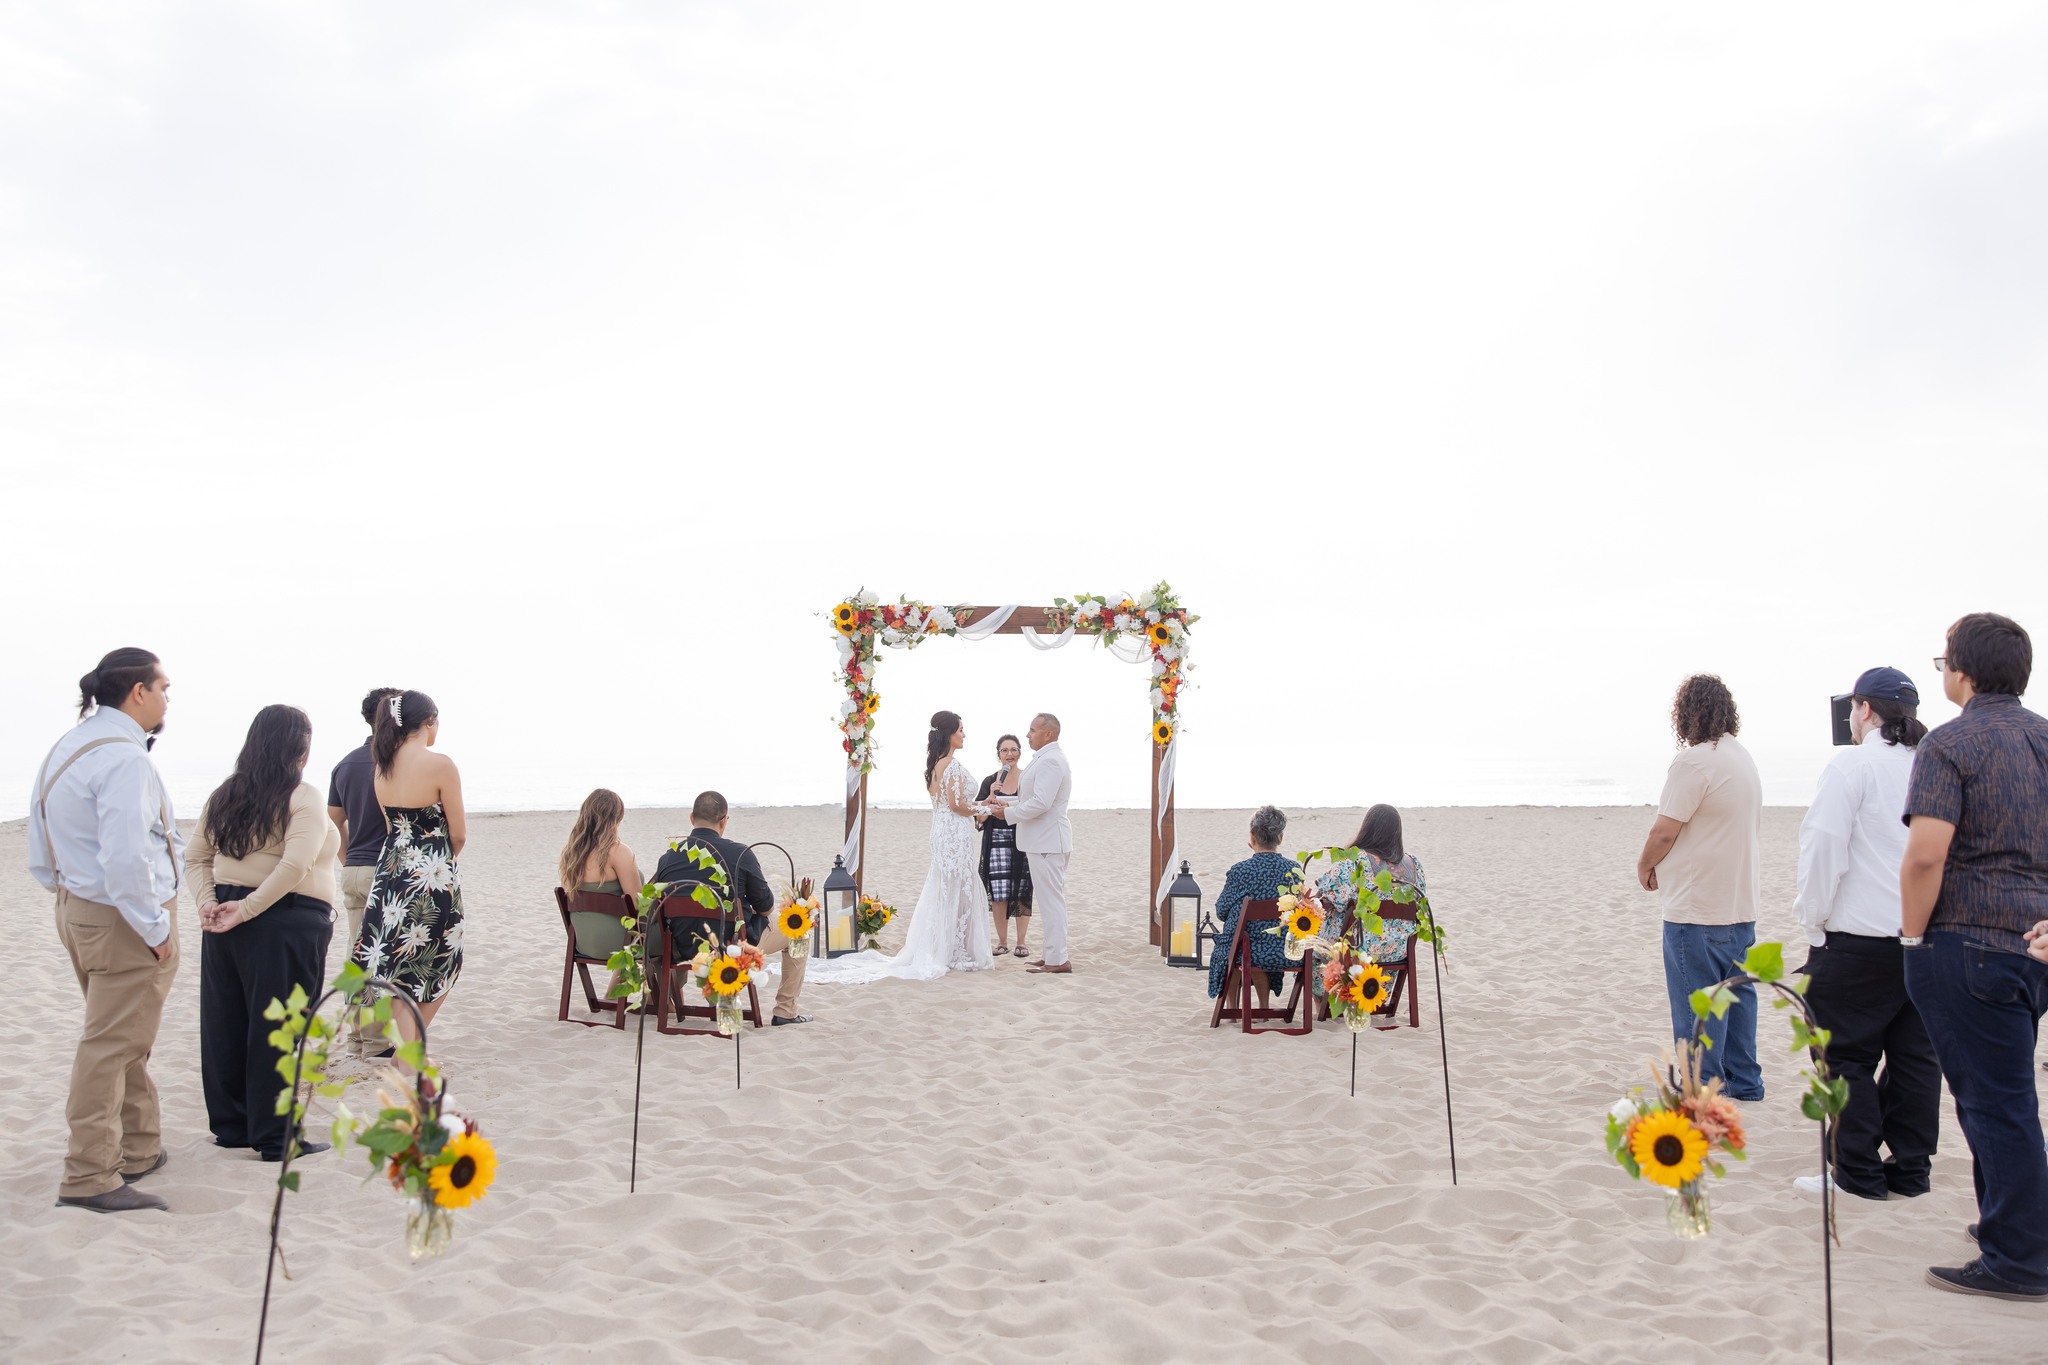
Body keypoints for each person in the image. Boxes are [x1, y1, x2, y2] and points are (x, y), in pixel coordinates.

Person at [1901, 613, 2048, 1301]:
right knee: (2009, 1094)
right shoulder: (2045, 737)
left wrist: (1909, 939)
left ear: (1961, 671)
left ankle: (2019, 1258)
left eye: (1942, 661)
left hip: (1971, 939)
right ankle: (2010, 1224)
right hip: (2035, 942)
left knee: (1995, 1102)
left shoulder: (1949, 744)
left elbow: (1926, 854)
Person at [27, 647, 182, 1213]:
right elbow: (124, 857)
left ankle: (139, 1149)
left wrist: (67, 891)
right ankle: (90, 1174)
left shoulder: (69, 745)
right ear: (137, 691)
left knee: (124, 1035)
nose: (168, 698)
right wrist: (152, 926)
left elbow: (38, 838)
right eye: (163, 687)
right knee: (110, 1044)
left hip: (80, 907)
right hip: (121, 915)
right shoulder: (124, 758)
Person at [1789, 667, 1939, 1202]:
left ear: (1865, 710)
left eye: (1854, 709)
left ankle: (1857, 1174)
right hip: (1923, 939)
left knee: (1843, 1058)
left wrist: (1813, 922)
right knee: (1914, 1060)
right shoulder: (1931, 762)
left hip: (1858, 941)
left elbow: (1823, 846)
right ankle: (1910, 1172)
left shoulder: (1853, 764)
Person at [187, 705, 341, 1162]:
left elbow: (195, 858)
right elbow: (295, 865)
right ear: (301, 748)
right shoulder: (302, 795)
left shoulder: (226, 794)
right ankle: (276, 1137)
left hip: (229, 917)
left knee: (226, 1022)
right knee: (278, 1027)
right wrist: (240, 909)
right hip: (283, 921)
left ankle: (233, 1126)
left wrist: (211, 906)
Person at [1637, 674, 1764, 1102]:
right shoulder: (1741, 757)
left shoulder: (1693, 762)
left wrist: (1645, 865)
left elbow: (1664, 832)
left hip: (1696, 910)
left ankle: (1700, 1097)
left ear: (1686, 714)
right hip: (1740, 905)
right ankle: (1745, 1087)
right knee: (1738, 1003)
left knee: (1697, 1012)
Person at [808, 711, 996, 983]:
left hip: (945, 830)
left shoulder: (935, 765)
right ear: (949, 733)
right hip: (954, 833)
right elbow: (957, 807)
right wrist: (987, 807)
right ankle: (958, 952)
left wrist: (983, 804)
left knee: (948, 886)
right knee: (959, 887)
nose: (964, 734)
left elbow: (949, 805)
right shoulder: (951, 765)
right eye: (961, 730)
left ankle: (950, 948)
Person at [349, 689, 466, 1051]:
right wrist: (440, 863)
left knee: (399, 966)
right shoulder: (441, 764)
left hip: (391, 874)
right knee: (444, 959)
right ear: (428, 722)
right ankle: (410, 1050)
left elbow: (392, 828)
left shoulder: (382, 768)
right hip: (431, 873)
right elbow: (458, 834)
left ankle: (405, 1050)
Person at [649, 790, 813, 1021]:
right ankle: (785, 1011)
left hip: (683, 944)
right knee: (800, 932)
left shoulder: (668, 858)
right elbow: (766, 907)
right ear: (724, 821)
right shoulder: (740, 853)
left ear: (691, 818)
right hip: (730, 946)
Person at [328, 686, 400, 1054]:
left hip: (354, 869)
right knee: (381, 957)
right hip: (383, 871)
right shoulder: (393, 762)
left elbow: (333, 822)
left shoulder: (346, 762)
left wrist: (347, 858)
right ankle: (376, 1041)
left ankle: (357, 1035)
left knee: (356, 954)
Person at [989, 712, 1074, 976]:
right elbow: (1032, 797)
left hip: (1048, 840)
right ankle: (1051, 954)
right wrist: (1008, 803)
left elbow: (1042, 803)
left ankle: (1058, 960)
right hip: (1041, 840)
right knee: (1048, 901)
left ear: (1048, 734)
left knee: (1052, 902)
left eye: (1032, 730)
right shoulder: (1045, 759)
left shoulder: (1050, 761)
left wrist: (1009, 815)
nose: (1028, 735)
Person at [1204, 805, 1300, 1008]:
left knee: (1230, 948)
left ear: (1252, 837)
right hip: (1282, 949)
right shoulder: (1293, 869)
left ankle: (1232, 1010)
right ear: (1281, 837)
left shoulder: (1240, 871)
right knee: (1249, 945)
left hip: (1246, 949)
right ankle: (1263, 1009)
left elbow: (1221, 911)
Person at [1316, 803, 1428, 965]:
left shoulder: (1355, 861)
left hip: (1356, 950)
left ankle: (1323, 989)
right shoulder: (1414, 864)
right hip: (1398, 952)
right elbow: (1420, 903)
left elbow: (1324, 897)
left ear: (1367, 829)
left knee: (1315, 944)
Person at [975, 733, 1033, 958]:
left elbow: (1034, 809)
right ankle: (1001, 942)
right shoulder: (990, 781)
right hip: (996, 840)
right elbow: (979, 819)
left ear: (1020, 753)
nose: (1009, 754)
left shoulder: (1028, 778)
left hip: (1022, 839)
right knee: (998, 893)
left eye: (1013, 749)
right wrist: (989, 798)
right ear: (998, 754)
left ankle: (1021, 942)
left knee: (1022, 889)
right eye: (1004, 750)